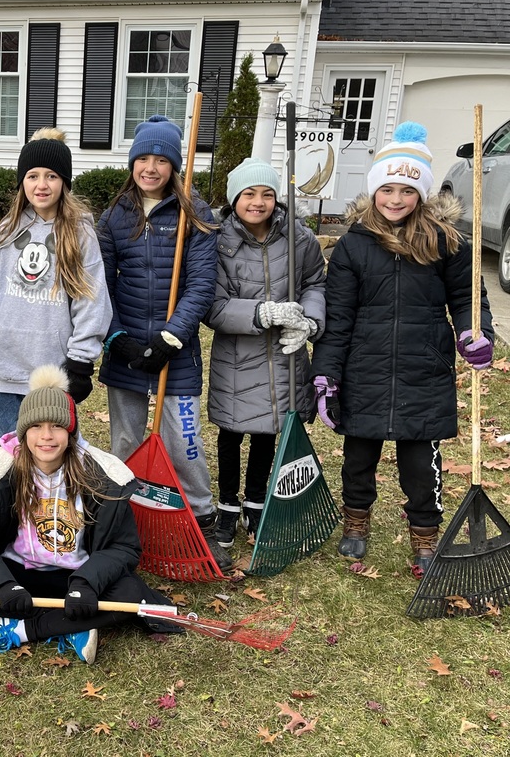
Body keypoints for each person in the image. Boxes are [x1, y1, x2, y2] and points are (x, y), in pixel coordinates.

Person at [311, 122, 494, 576]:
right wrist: (327, 373)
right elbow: (338, 317)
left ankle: (425, 536)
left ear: (422, 195)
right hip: (365, 369)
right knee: (358, 459)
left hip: (423, 369)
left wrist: (475, 333)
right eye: (387, 189)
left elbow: (469, 298)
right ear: (374, 191)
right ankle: (356, 523)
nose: (395, 199)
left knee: (420, 466)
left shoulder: (446, 241)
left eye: (407, 191)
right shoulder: (354, 245)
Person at [0, 365, 182, 665]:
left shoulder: (101, 477)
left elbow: (124, 547)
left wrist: (87, 583)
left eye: (56, 426)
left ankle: (22, 628)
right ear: (23, 432)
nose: (46, 436)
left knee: (129, 592)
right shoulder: (1, 472)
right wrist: (3, 585)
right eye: (36, 427)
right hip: (18, 574)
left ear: (70, 432)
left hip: (75, 579)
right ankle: (73, 625)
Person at [97, 115, 231, 570]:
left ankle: (203, 519)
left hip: (178, 352)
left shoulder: (195, 212)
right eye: (143, 159)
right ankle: (122, 516)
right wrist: (118, 339)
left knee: (183, 441)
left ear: (175, 165)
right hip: (127, 350)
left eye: (161, 160)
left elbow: (201, 283)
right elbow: (101, 284)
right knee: (125, 438)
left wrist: (172, 337)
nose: (150, 168)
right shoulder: (116, 214)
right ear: (132, 162)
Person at [0, 128, 111, 439]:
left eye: (51, 177)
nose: (41, 185)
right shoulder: (8, 230)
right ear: (21, 181)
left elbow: (92, 302)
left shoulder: (79, 234)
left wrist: (81, 360)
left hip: (53, 374)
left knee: (52, 456)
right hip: (9, 367)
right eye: (32, 176)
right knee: (11, 456)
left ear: (65, 182)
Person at [204, 158, 326, 548]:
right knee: (231, 431)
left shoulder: (299, 238)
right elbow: (213, 305)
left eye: (267, 194)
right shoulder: (217, 241)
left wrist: (308, 320)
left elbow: (315, 283)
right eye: (249, 194)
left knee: (267, 432)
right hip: (238, 354)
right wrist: (261, 312)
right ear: (234, 199)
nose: (258, 202)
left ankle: (256, 504)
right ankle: (226, 505)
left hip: (282, 353)